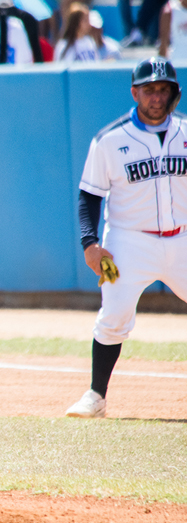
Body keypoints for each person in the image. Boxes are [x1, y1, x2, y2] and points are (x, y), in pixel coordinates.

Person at [66, 56, 187, 419]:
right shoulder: (110, 140)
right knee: (115, 316)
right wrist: (90, 243)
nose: (156, 97)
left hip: (181, 238)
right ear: (135, 92)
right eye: (149, 89)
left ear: (174, 93)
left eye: (163, 89)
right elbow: (89, 194)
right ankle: (96, 396)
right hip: (127, 242)